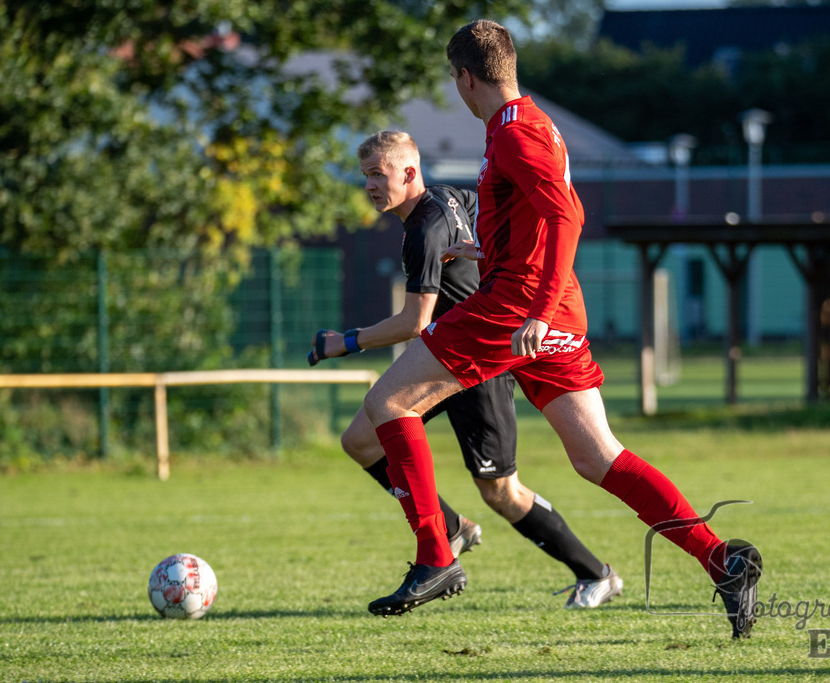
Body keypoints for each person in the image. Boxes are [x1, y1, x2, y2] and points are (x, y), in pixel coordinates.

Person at [355, 20, 762, 638]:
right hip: (547, 306)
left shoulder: (514, 135)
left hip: (519, 309)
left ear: (466, 77)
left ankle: (438, 555)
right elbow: (533, 222)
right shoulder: (529, 122)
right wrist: (489, 258)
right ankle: (722, 559)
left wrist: (536, 309)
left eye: (454, 80)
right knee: (599, 457)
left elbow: (566, 215)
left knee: (389, 404)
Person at [308, 130, 624, 611]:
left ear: (409, 173)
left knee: (501, 492)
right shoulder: (452, 198)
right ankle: (448, 529)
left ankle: (596, 573)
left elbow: (414, 322)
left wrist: (344, 342)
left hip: (478, 364)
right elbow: (489, 217)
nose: (371, 185)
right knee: (361, 440)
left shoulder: (423, 229)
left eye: (379, 174)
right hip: (441, 359)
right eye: (366, 175)